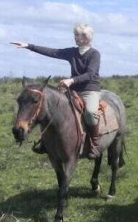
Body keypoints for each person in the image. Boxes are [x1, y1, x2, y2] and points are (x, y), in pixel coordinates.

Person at [11, 23, 102, 159]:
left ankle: (94, 144)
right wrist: (29, 46)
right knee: (51, 109)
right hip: (73, 90)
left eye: (79, 35)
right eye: (75, 35)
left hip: (89, 90)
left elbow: (90, 74)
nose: (76, 37)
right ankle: (45, 141)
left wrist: (72, 80)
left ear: (87, 37)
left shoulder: (94, 54)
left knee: (90, 112)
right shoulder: (72, 52)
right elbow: (53, 52)